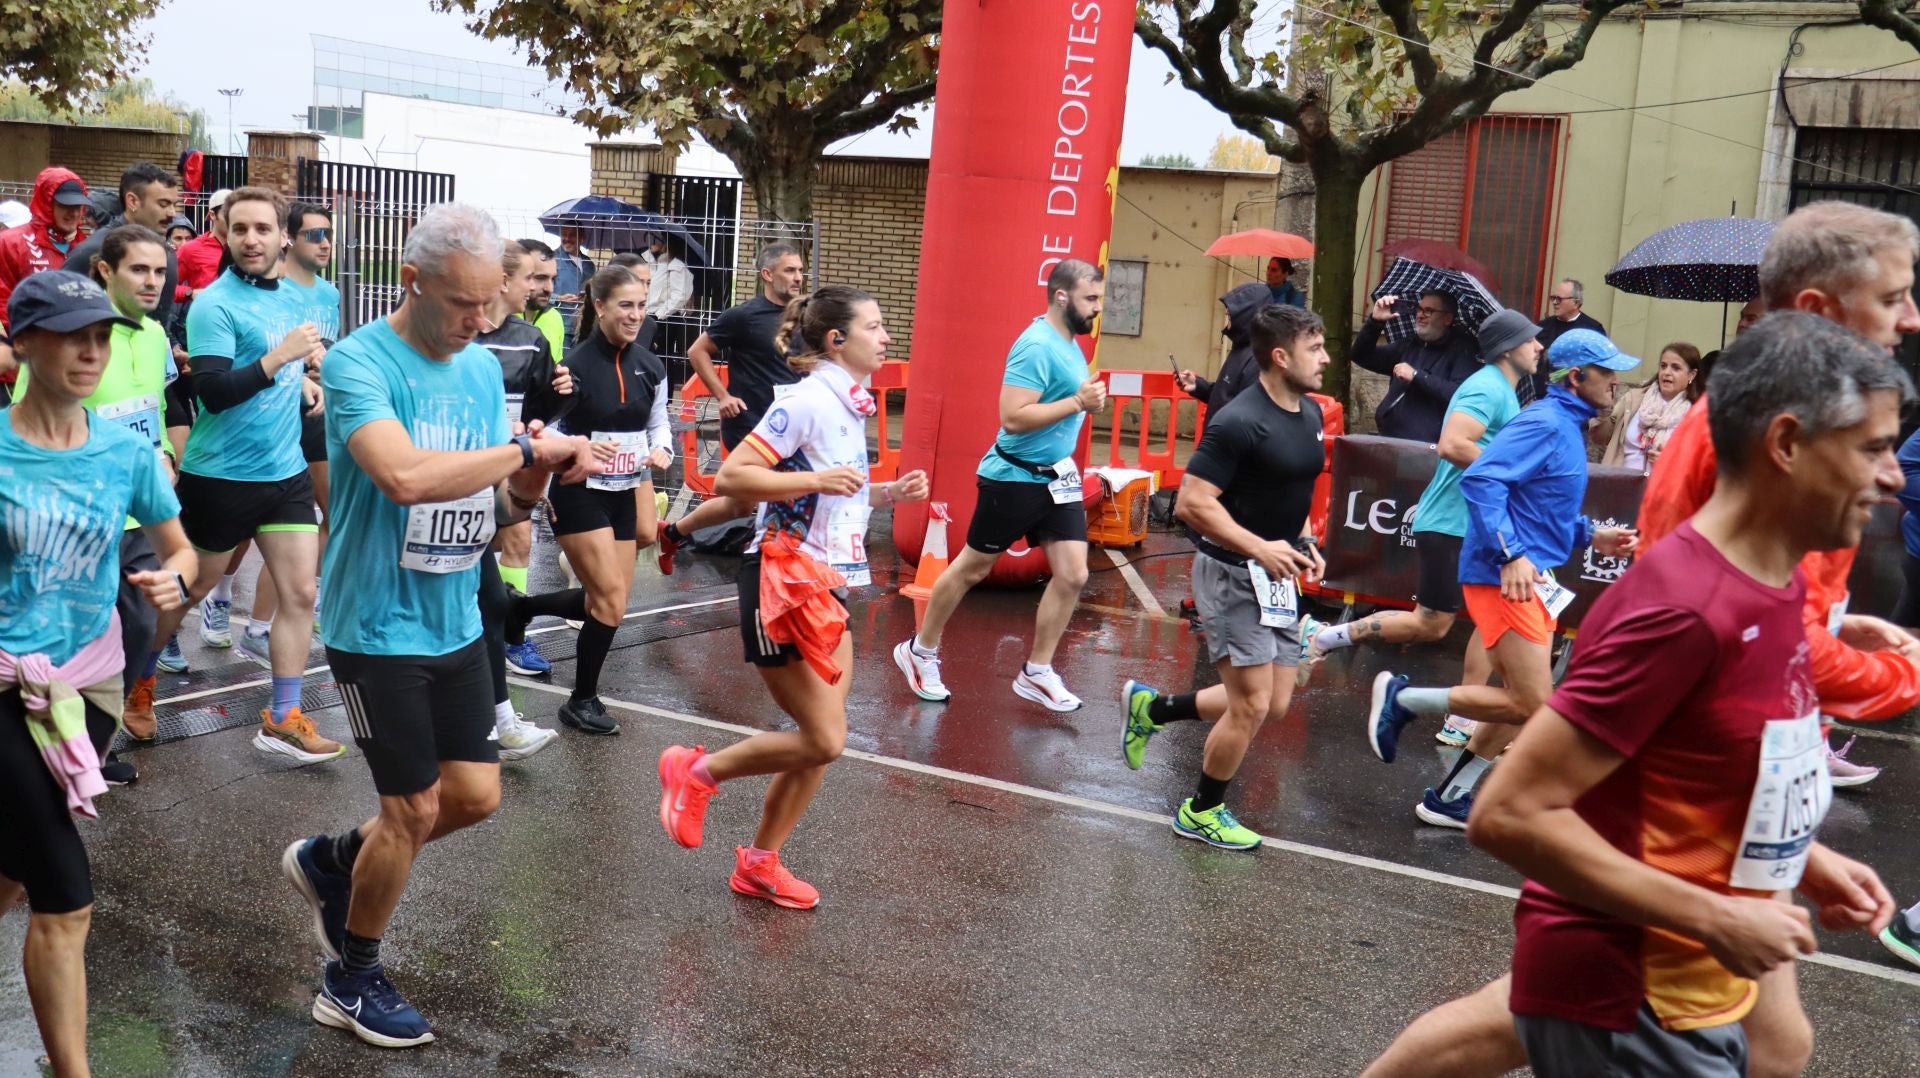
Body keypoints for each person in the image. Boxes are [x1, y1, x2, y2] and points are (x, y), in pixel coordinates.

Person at [1366, 204, 1920, 1078]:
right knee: (1526, 718)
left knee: (1778, 1046)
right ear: (1786, 446)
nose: (1895, 478)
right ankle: (1415, 718)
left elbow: (1745, 684)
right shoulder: (1695, 595)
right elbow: (1522, 809)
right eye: (1875, 450)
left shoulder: (1764, 576)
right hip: (1635, 964)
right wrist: (1898, 678)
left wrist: (1796, 854)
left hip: (1681, 915)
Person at [277, 203, 594, 1048]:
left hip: (456, 614)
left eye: (492, 303)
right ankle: (349, 977)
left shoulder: (481, 370)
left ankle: (334, 859)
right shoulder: (357, 365)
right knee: (413, 808)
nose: (482, 321)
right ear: (411, 282)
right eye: (465, 305)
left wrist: (530, 486)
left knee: (476, 797)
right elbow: (406, 477)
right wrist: (527, 454)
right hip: (375, 625)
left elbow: (490, 500)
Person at [657, 284, 929, 908]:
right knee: (825, 738)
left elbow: (832, 495)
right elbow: (733, 477)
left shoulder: (847, 403)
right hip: (779, 580)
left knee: (818, 741)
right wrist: (814, 476)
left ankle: (759, 862)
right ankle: (694, 772)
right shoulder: (807, 400)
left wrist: (888, 495)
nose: (886, 336)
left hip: (825, 582)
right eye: (876, 325)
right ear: (838, 339)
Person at [1639, 201, 1920, 795]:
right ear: (1820, 310)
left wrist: (1836, 625)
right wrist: (1905, 675)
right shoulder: (1779, 427)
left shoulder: (1787, 407)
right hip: (1709, 762)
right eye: (1894, 299)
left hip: (1745, 754)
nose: (1913, 320)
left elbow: (1768, 611)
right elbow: (1758, 633)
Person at [1, 270, 194, 1078]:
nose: (91, 350)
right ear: (22, 343)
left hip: (95, 684)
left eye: (103, 336)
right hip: (7, 685)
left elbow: (178, 544)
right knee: (64, 891)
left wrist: (176, 578)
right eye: (73, 334)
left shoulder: (123, 449)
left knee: (13, 866)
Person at [1366, 329, 1640, 829]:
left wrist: (1590, 535)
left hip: (1529, 574)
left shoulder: (1565, 424)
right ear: (1576, 377)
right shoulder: (1546, 423)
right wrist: (1511, 553)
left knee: (1519, 702)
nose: (1616, 381)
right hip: (1504, 575)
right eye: (1607, 372)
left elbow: (1539, 507)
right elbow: (1481, 479)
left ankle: (1450, 796)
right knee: (1534, 703)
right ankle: (1403, 701)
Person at [120, 187, 343, 766]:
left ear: (281, 237)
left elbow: (282, 369)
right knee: (189, 591)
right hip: (220, 478)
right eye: (240, 229)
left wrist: (305, 381)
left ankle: (283, 716)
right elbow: (214, 394)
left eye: (262, 229)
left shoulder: (295, 300)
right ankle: (139, 680)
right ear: (224, 233)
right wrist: (280, 360)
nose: (251, 239)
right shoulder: (214, 304)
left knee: (300, 593)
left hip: (285, 472)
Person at [1117, 305, 1328, 851]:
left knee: (1274, 702)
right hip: (1232, 574)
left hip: (1276, 577)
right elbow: (1192, 502)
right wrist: (1259, 547)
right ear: (1281, 357)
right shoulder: (1237, 420)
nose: (1326, 358)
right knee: (1251, 705)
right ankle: (1201, 810)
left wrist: (1303, 542)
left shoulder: (1307, 414)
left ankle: (1154, 708)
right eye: (1315, 349)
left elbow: (1291, 492)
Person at [1312, 308, 1544, 749]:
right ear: (1510, 347)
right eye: (1532, 339)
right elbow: (1455, 444)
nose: (1539, 346)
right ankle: (1325, 635)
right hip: (1450, 522)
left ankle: (1464, 715)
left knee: (1492, 618)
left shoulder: (1506, 392)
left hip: (1475, 524)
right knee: (1432, 624)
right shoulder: (1486, 387)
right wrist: (1511, 470)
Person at [892, 259, 1108, 712]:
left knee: (1073, 574)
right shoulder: (1035, 346)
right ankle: (920, 651)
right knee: (972, 568)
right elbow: (1012, 417)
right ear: (1062, 297)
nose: (1097, 308)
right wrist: (1076, 402)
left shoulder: (1071, 343)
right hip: (1013, 478)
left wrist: (1084, 401)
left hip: (1057, 478)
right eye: (1091, 299)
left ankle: (1037, 672)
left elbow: (1067, 402)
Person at [16, 232, 182, 781]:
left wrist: (160, 452)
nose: (152, 281)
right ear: (105, 270)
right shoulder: (56, 345)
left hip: (129, 505)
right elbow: (29, 422)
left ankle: (101, 733)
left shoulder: (155, 335)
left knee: (139, 622)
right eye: (138, 269)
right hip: (59, 516)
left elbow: (153, 405)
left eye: (160, 271)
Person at [511, 262, 670, 735]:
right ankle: (581, 700)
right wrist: (580, 446)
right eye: (625, 305)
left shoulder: (651, 365)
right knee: (611, 602)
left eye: (641, 305)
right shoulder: (574, 367)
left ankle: (520, 609)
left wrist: (660, 448)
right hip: (579, 492)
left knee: (607, 602)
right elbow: (549, 427)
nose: (635, 314)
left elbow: (656, 422)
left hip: (624, 490)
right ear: (599, 307)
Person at [656, 241, 809, 574]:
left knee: (741, 504)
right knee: (780, 491)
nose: (798, 277)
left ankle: (672, 531)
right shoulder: (744, 316)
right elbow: (698, 351)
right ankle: (776, 567)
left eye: (800, 270)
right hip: (750, 423)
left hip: (792, 423)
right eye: (790, 270)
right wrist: (723, 396)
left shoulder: (804, 317)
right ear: (767, 274)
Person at [246, 202, 340, 650]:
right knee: (243, 529)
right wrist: (297, 370)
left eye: (328, 235)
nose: (325, 244)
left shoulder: (330, 294)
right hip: (272, 412)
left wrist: (324, 371)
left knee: (325, 511)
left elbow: (327, 350)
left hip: (317, 413)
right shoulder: (273, 288)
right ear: (289, 237)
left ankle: (294, 605)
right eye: (314, 235)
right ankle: (220, 597)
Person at [476, 241, 563, 679]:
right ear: (503, 279)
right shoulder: (459, 334)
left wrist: (564, 391)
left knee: (519, 542)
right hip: (460, 464)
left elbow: (541, 408)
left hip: (509, 461)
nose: (537, 287)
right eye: (531, 277)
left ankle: (512, 636)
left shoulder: (530, 340)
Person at [62, 163, 184, 339]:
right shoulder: (92, 251)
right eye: (163, 204)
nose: (173, 213)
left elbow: (161, 318)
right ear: (133, 201)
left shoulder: (167, 253)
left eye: (174, 204)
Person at [1350, 289, 1482, 443]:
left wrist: (1416, 376)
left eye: (1429, 311)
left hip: (1424, 448)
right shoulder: (1411, 343)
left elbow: (1459, 394)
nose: (1420, 315)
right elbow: (1361, 356)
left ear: (1447, 318)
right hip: (1389, 437)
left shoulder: (1464, 350)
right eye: (1419, 309)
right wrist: (1375, 322)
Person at [1590, 342, 1701, 471]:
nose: (1667, 372)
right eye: (1663, 366)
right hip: (1621, 485)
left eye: (1676, 368)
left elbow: (1701, 467)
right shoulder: (1633, 399)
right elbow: (1599, 437)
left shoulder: (1697, 414)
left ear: (1691, 375)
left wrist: (1671, 462)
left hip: (1663, 487)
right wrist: (1605, 408)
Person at [0, 168, 91, 325]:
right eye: (65, 205)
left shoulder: (87, 247)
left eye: (78, 206)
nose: (74, 213)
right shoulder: (11, 243)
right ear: (47, 204)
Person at [1174, 281, 1272, 412]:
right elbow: (1223, 396)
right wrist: (1197, 385)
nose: (1227, 316)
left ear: (1245, 316)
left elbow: (1244, 414)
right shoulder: (1241, 347)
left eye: (1231, 313)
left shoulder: (1258, 359)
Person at [1523, 278, 1607, 405]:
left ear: (1576, 303)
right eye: (1553, 298)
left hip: (1575, 401)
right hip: (1541, 398)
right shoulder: (1543, 326)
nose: (1555, 303)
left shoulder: (1593, 330)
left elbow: (1599, 368)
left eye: (1559, 299)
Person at [639, 230, 694, 351]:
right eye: (648, 238)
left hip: (665, 318)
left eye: (654, 239)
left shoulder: (676, 265)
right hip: (650, 316)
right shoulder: (653, 263)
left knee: (661, 356)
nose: (650, 242)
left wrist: (661, 313)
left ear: (665, 242)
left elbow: (681, 294)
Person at [173, 188, 232, 298]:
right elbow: (167, 287)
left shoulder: (246, 247)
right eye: (227, 213)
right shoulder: (190, 249)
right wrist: (191, 293)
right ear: (213, 215)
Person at [517, 238, 565, 364]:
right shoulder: (494, 320)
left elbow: (554, 368)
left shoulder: (555, 318)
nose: (550, 288)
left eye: (553, 279)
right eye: (540, 278)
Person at [552, 225, 594, 341]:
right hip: (560, 326)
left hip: (583, 327)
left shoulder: (589, 264)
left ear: (581, 237)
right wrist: (558, 298)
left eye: (571, 235)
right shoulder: (552, 259)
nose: (566, 238)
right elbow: (537, 292)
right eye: (563, 234)